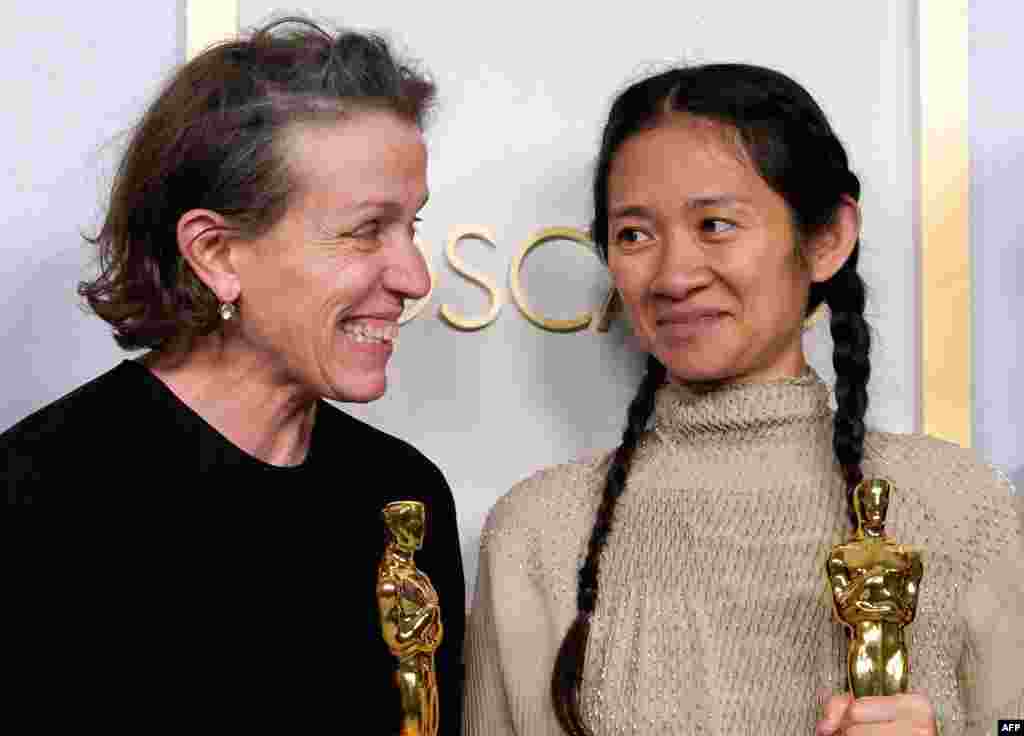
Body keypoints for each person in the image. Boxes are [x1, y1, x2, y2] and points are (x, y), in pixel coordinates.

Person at [463, 64, 1023, 735]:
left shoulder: (961, 507)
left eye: (716, 225)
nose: (673, 275)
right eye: (634, 234)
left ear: (826, 238)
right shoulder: (539, 533)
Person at [3, 18, 465, 732]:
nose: (414, 276)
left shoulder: (401, 497)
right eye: (366, 229)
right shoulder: (36, 497)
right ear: (216, 253)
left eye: (412, 228)